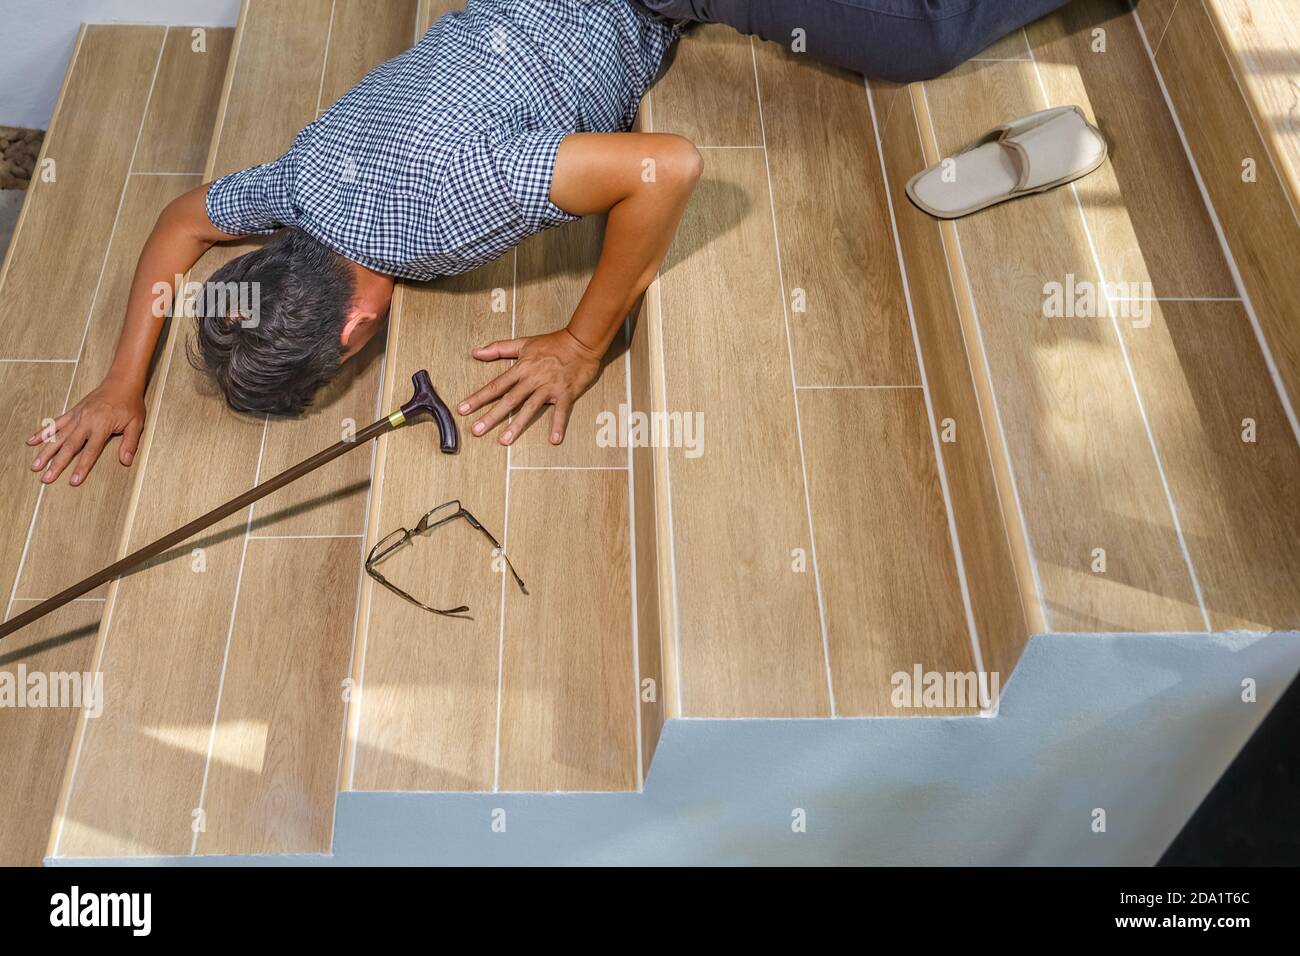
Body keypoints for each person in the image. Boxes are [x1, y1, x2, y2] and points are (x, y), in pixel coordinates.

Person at [29, 0, 1070, 487]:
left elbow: (667, 167)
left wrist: (582, 343)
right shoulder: (299, 183)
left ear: (355, 328)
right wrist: (124, 381)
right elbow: (178, 222)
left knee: (924, 36)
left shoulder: (441, 215)